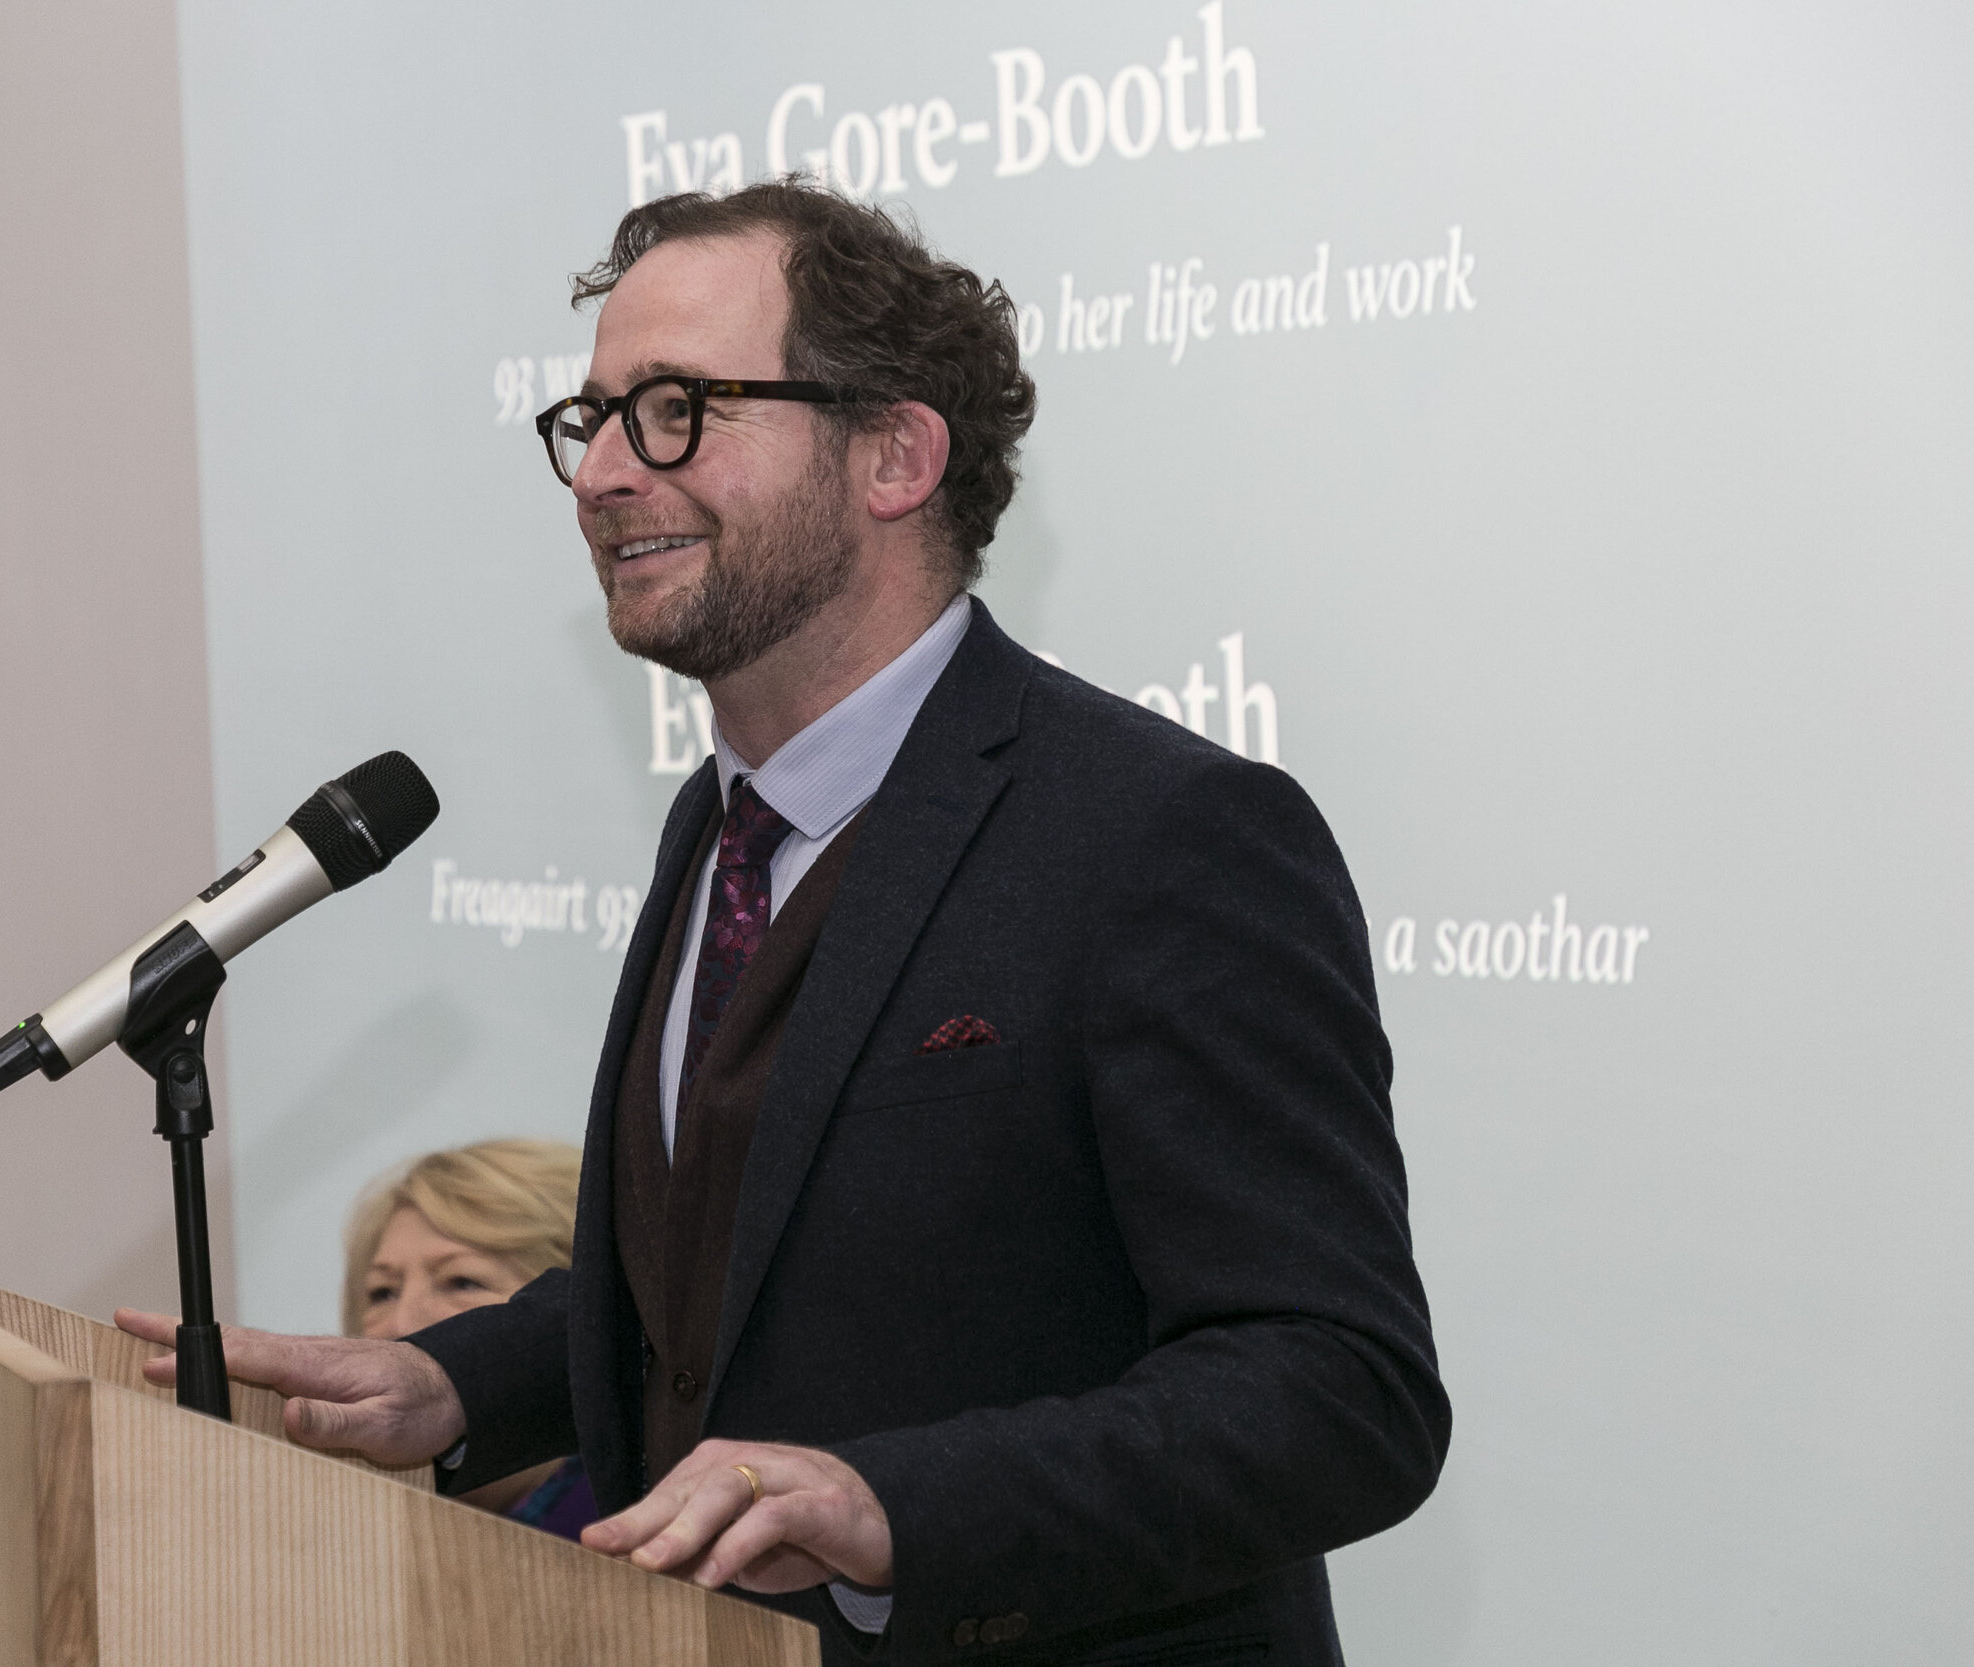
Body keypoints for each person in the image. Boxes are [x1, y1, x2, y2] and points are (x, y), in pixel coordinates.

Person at [122, 179, 1449, 1665]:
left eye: (678, 409)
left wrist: (897, 1502)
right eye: (594, 418)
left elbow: (1340, 1389)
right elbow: (720, 1282)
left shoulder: (1164, 835)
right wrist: (450, 1387)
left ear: (894, 451)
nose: (605, 472)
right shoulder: (719, 826)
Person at [339, 1140, 596, 1539]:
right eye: (382, 1292)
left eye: (461, 1281)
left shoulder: (652, 1522)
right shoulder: (346, 1531)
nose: (401, 1324)